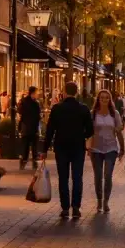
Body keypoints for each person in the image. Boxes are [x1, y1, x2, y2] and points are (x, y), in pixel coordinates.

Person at [40, 82, 93, 219]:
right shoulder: (83, 109)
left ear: (64, 91)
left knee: (63, 178)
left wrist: (44, 149)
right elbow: (90, 130)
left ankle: (65, 208)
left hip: (61, 146)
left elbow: (50, 130)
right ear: (77, 92)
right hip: (77, 147)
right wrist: (82, 136)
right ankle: (76, 207)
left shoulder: (57, 108)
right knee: (77, 177)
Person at [90, 89, 124, 213]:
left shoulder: (114, 114)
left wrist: (122, 148)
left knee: (108, 175)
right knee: (98, 176)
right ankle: (99, 199)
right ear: (98, 99)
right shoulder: (93, 114)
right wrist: (87, 147)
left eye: (107, 98)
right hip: (96, 149)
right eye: (102, 97)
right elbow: (88, 132)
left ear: (110, 100)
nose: (104, 100)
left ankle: (106, 201)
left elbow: (119, 131)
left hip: (111, 148)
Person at [17, 86, 42, 170]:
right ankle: (34, 162)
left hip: (25, 127)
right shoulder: (35, 104)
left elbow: (20, 112)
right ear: (32, 93)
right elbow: (38, 116)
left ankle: (23, 161)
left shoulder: (23, 101)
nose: (37, 95)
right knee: (34, 145)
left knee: (25, 145)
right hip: (32, 127)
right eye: (36, 93)